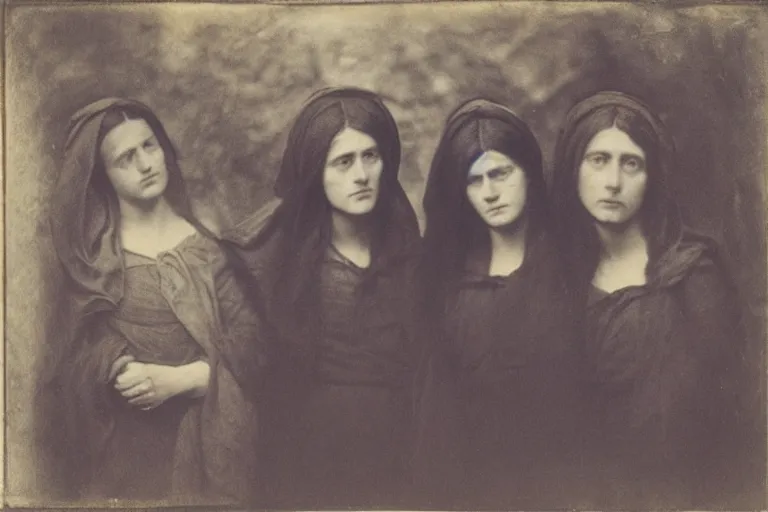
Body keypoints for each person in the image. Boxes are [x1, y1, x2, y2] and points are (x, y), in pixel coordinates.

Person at [48, 98, 266, 505]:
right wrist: (117, 365)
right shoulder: (96, 266)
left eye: (150, 146)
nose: (146, 164)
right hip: (130, 453)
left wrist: (184, 379)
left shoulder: (211, 252)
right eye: (125, 159)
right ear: (104, 178)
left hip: (209, 443)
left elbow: (252, 342)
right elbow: (77, 347)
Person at [551, 91, 756, 508]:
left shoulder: (694, 276)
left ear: (653, 176)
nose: (613, 182)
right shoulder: (553, 277)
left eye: (632, 164)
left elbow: (720, 413)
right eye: (598, 160)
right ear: (573, 168)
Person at [223, 87, 422, 509]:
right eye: (343, 162)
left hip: (399, 455)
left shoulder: (410, 253)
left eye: (371, 156)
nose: (362, 175)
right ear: (316, 172)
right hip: (309, 458)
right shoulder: (280, 266)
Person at [412, 99, 594, 509]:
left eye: (501, 173)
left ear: (528, 172)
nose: (491, 193)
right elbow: (438, 424)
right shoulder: (449, 287)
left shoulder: (573, 266)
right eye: (475, 181)